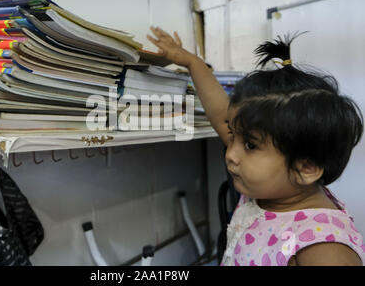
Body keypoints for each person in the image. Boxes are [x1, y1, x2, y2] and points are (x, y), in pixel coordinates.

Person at [147, 27, 365, 266]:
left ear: (306, 167)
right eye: (232, 135)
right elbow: (222, 115)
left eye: (250, 145)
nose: (230, 154)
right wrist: (193, 63)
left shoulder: (324, 248)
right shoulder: (273, 189)